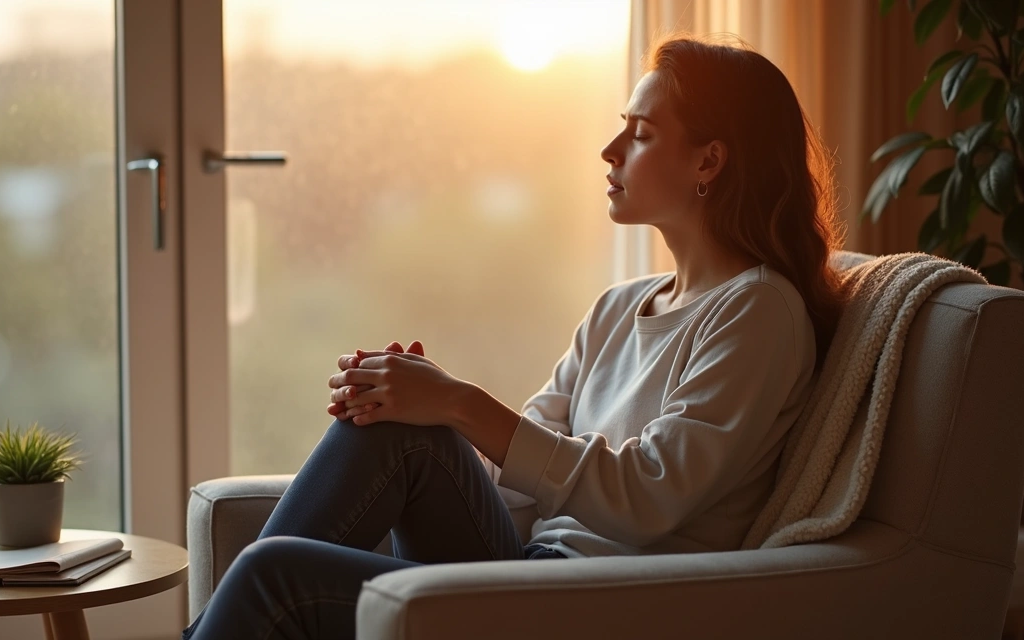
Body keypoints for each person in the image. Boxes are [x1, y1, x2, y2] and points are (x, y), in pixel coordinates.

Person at [183, 33, 847, 640]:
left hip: (600, 606)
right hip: (530, 570)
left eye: (640, 135)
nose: (610, 151)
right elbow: (523, 483)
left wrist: (460, 404)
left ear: (709, 160)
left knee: (273, 575)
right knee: (393, 424)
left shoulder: (758, 312)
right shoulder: (619, 309)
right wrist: (430, 407)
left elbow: (651, 495)